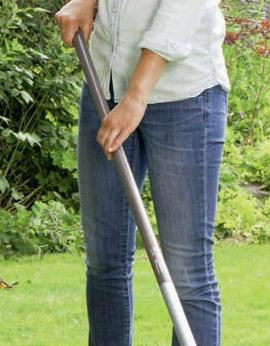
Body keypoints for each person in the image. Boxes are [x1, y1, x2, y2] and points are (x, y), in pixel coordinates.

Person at [55, 0, 229, 344]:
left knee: (187, 274)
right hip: (103, 90)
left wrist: (136, 96)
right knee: (105, 264)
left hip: (184, 98)